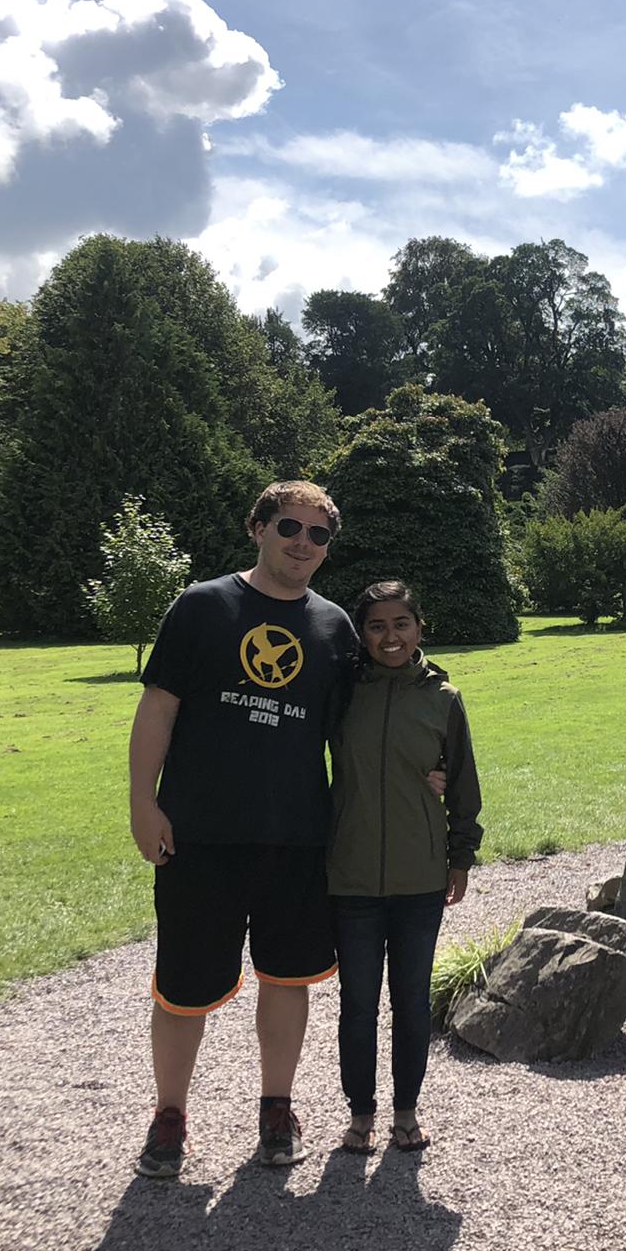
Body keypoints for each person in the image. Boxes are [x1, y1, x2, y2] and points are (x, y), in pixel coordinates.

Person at [127, 480, 359, 1178]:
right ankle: (170, 1115)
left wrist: (432, 774)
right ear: (258, 526)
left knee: (288, 980)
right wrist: (144, 802)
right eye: (290, 527)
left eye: (319, 536)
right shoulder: (203, 607)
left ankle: (276, 1107)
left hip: (296, 839)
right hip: (200, 835)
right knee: (184, 984)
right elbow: (158, 711)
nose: (303, 544)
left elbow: (355, 739)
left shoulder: (335, 628)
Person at [328, 580, 482, 1156]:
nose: (389, 636)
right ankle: (361, 1114)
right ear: (361, 633)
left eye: (401, 624)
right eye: (376, 625)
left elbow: (464, 784)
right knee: (358, 1002)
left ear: (420, 627)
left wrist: (460, 856)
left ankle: (406, 1112)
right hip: (352, 876)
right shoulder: (343, 694)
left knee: (411, 1000)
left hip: (421, 878)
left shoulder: (443, 698)